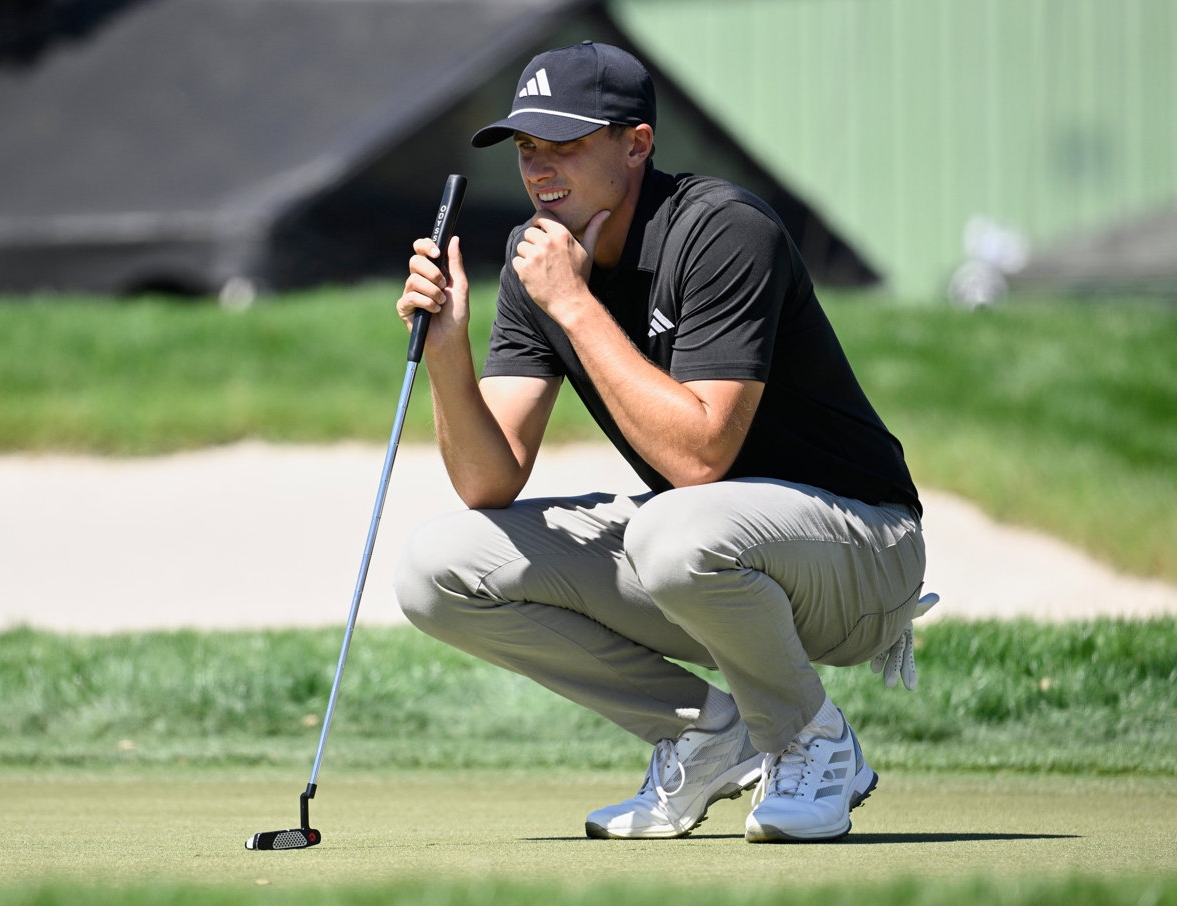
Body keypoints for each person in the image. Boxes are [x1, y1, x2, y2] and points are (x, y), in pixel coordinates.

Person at [393, 41, 930, 843]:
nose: (539, 171)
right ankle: (708, 734)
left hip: (862, 554)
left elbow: (699, 456)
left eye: (565, 146)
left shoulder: (724, 230)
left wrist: (574, 306)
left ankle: (812, 740)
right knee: (437, 568)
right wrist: (447, 349)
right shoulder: (538, 262)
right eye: (529, 149)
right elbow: (487, 480)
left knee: (671, 526)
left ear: (635, 143)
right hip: (709, 554)